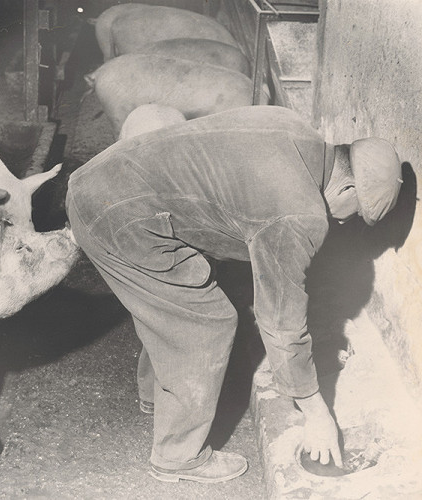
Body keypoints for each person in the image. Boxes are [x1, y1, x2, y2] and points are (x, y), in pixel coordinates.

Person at [65, 105, 402, 483]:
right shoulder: (299, 214)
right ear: (348, 188)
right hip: (117, 215)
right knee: (206, 322)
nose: (343, 220)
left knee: (170, 302)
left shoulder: (294, 128)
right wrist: (316, 412)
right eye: (354, 212)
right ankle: (178, 456)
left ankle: (158, 398)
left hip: (102, 179)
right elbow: (279, 322)